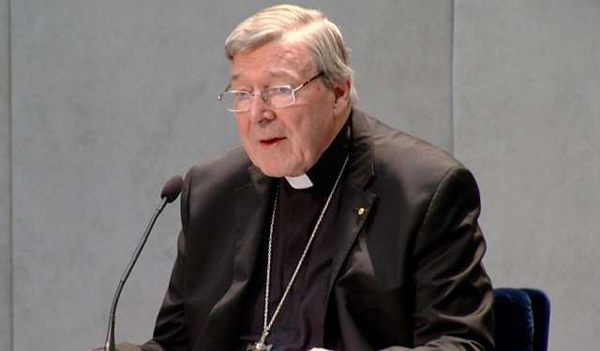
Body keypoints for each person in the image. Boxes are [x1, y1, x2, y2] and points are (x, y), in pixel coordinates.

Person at [111, 4, 494, 351]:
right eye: (242, 93)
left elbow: (462, 343)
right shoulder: (211, 190)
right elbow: (175, 344)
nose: (258, 113)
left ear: (339, 92)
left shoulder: (423, 190)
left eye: (279, 90)